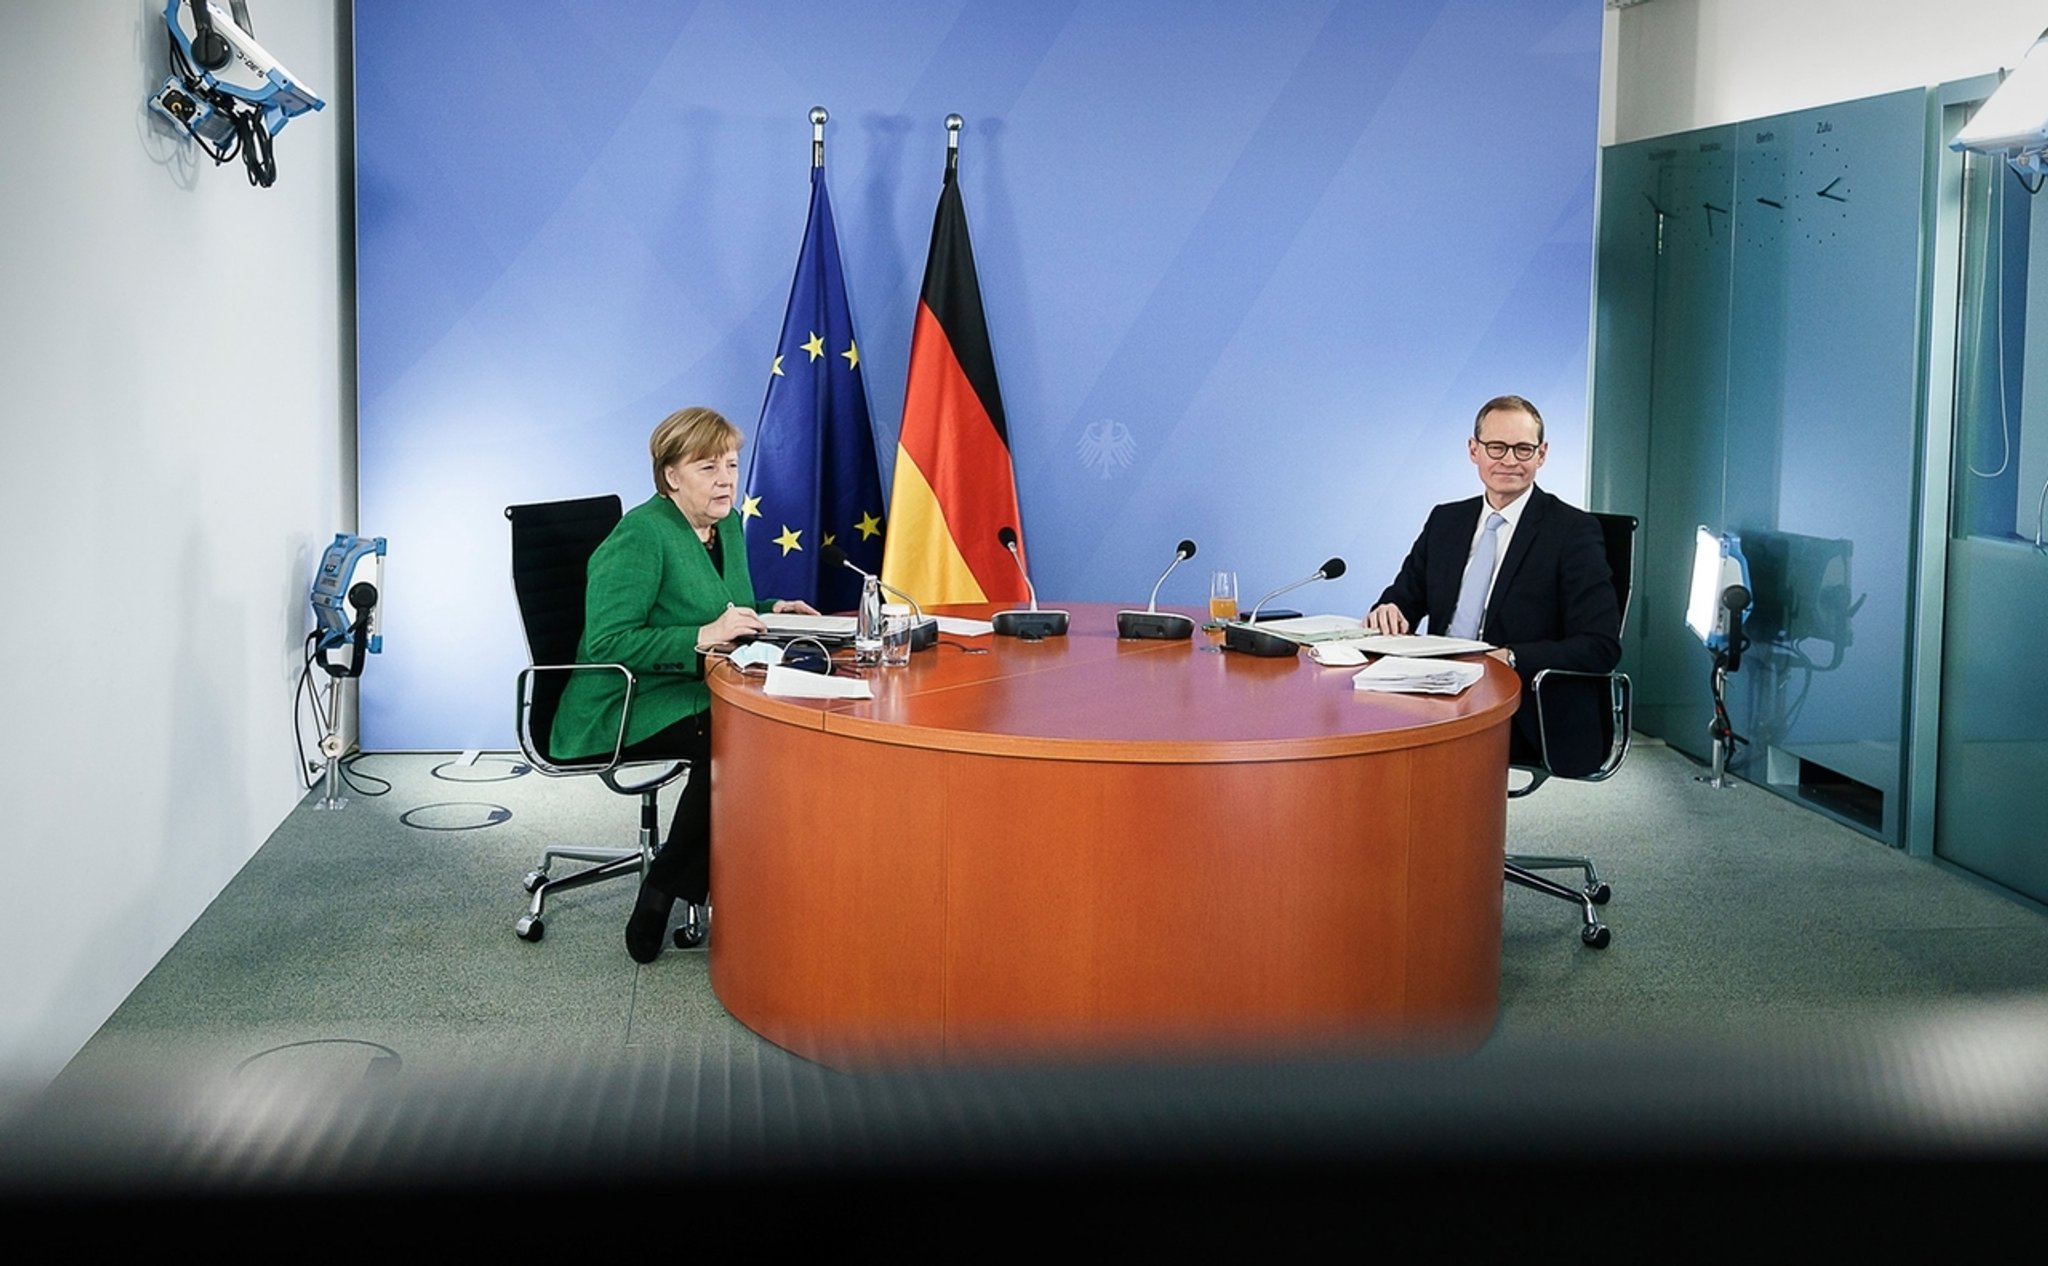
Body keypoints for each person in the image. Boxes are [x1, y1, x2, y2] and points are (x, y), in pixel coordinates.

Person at [550, 406, 819, 963]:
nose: (725, 480)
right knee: (737, 741)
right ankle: (663, 891)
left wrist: (773, 612)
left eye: (731, 465)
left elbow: (727, 607)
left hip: (697, 685)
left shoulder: (725, 526)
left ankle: (689, 879)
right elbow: (608, 644)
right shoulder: (640, 535)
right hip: (624, 699)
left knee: (755, 729)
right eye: (707, 468)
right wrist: (702, 636)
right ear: (671, 475)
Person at [1365, 395, 1621, 774]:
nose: (1509, 460)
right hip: (1437, 684)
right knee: (1362, 723)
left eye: (1523, 449)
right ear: (1474, 450)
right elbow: (1405, 595)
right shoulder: (1446, 520)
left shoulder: (1573, 531)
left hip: (1517, 700)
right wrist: (1389, 609)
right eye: (1497, 447)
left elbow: (1600, 646)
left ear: (1542, 454)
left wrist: (1511, 657)